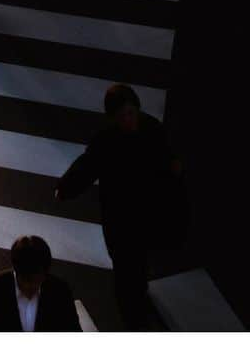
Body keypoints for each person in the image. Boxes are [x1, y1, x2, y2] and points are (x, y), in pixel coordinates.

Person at [56, 83, 183, 330]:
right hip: (120, 216)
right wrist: (66, 188)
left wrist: (172, 167)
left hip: (146, 210)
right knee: (125, 266)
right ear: (113, 117)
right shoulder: (107, 141)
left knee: (138, 260)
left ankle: (137, 297)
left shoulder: (150, 129)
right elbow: (86, 167)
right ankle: (132, 313)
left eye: (131, 113)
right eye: (122, 115)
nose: (128, 120)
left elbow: (166, 156)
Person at [0, 235, 81, 331]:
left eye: (37, 281)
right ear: (16, 271)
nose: (31, 286)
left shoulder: (60, 292)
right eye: (26, 280)